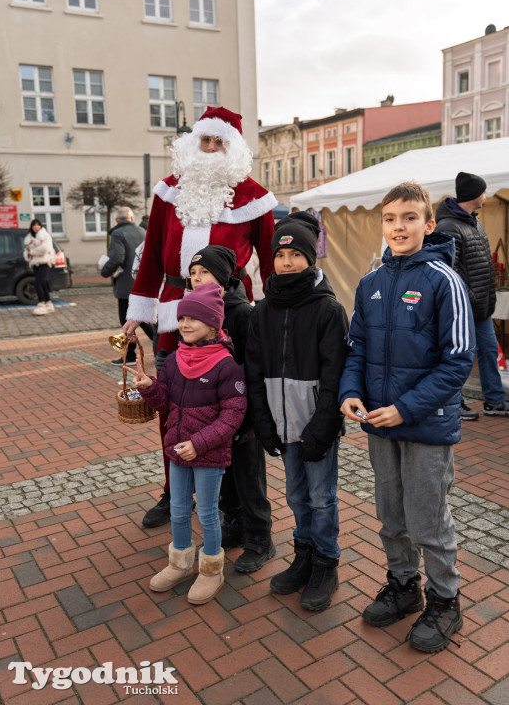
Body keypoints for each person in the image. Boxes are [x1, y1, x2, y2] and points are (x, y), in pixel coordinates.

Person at [123, 106, 276, 528]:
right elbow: (152, 257)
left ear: (233, 149)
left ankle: (232, 500)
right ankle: (174, 490)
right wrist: (137, 312)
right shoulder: (168, 191)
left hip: (229, 312)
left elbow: (270, 261)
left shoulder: (254, 197)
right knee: (172, 403)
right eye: (204, 140)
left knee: (223, 404)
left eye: (218, 142)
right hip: (174, 308)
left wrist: (276, 316)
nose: (209, 148)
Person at [339, 182, 475, 653]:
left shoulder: (444, 280)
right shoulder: (370, 282)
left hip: (425, 425)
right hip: (379, 424)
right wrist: (350, 392)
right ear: (382, 224)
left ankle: (445, 600)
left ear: (428, 225)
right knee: (390, 515)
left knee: (428, 519)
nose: (399, 227)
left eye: (410, 217)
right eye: (390, 218)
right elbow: (357, 348)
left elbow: (459, 360)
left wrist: (405, 408)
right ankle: (403, 586)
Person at [246, 212, 349, 611]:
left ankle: (326, 562)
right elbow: (254, 370)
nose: (286, 262)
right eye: (280, 255)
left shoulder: (328, 310)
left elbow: (336, 375)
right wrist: (264, 424)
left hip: (315, 427)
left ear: (310, 258)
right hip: (282, 426)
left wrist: (323, 429)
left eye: (295, 255)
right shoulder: (262, 311)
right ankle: (303, 554)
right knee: (296, 495)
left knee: (322, 497)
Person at [124, 283, 247, 604]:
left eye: (193, 318)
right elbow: (165, 402)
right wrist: (149, 386)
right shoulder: (174, 359)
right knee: (179, 511)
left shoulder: (226, 365)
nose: (185, 324)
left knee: (207, 514)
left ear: (213, 323)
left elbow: (233, 416)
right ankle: (179, 563)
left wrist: (199, 444)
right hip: (177, 452)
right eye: (181, 318)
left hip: (208, 454)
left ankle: (211, 570)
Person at [188, 245, 273, 572]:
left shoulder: (241, 313)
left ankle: (261, 539)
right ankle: (235, 525)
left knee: (249, 478)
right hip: (212, 416)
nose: (197, 279)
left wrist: (246, 412)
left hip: (242, 415)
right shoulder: (196, 312)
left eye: (204, 273)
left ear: (223, 278)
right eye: (193, 274)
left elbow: (255, 367)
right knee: (225, 478)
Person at [435, 172, 508, 419]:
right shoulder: (448, 226)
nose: (485, 196)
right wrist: (470, 297)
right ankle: (454, 403)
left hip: (480, 308)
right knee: (457, 356)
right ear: (474, 195)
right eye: (483, 192)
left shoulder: (473, 222)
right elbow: (449, 270)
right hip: (463, 307)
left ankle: (494, 401)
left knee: (489, 350)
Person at [100, 207, 150, 365]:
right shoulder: (143, 231)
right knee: (144, 318)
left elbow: (117, 258)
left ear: (116, 220)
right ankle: (161, 347)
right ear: (132, 218)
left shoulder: (117, 233)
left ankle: (129, 356)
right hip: (142, 282)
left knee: (127, 320)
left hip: (125, 285)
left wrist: (105, 271)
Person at [23, 219, 56, 315]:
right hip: (35, 263)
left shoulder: (45, 235)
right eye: (34, 225)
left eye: (38, 225)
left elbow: (44, 249)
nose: (36, 226)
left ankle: (41, 304)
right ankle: (49, 304)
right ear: (31, 227)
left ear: (41, 226)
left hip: (45, 262)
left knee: (37, 284)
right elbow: (26, 251)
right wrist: (28, 253)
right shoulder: (29, 238)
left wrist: (32, 251)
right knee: (43, 284)